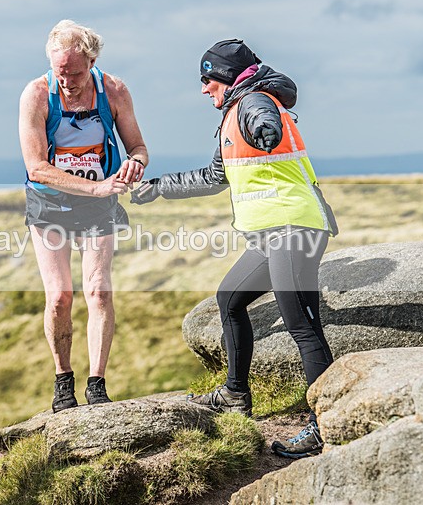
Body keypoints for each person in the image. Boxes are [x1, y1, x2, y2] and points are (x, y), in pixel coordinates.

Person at [131, 39, 338, 458]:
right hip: (271, 235)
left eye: (207, 79)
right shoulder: (233, 114)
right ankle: (234, 395)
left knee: (302, 327)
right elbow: (213, 175)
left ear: (226, 78)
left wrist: (267, 129)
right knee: (230, 299)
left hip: (293, 229)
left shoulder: (254, 102)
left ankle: (326, 424)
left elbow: (265, 119)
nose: (204, 88)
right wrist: (156, 189)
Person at [20, 20, 149, 413]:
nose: (68, 82)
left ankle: (97, 383)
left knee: (98, 290)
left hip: (98, 205)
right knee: (60, 297)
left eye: (76, 73)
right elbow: (36, 167)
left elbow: (138, 147)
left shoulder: (114, 91)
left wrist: (134, 165)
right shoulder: (37, 95)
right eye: (61, 73)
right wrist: (92, 186)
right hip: (50, 203)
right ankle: (63, 381)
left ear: (92, 61)